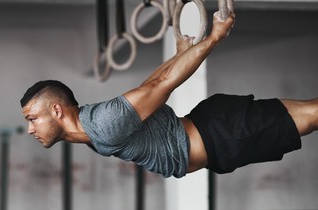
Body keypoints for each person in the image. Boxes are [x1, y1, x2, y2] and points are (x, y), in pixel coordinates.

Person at [20, 12, 317, 178]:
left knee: (314, 114)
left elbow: (158, 86)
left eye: (33, 118)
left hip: (223, 135)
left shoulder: (102, 124)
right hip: (216, 132)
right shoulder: (92, 129)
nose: (30, 129)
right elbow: (150, 88)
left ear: (57, 111)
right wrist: (178, 54)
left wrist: (215, 37)